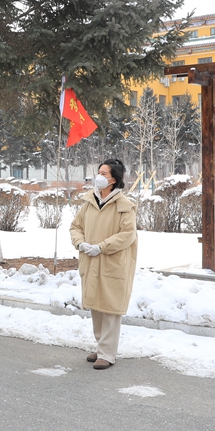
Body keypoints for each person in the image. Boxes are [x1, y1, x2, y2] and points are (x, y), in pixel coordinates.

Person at [70, 158, 138, 370]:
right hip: (91, 261)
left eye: (104, 173)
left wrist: (102, 247)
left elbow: (127, 234)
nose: (99, 177)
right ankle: (101, 347)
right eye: (99, 172)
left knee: (110, 308)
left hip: (112, 262)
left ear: (114, 179)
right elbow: (75, 227)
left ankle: (107, 354)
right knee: (96, 306)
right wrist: (80, 243)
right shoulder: (89, 202)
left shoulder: (124, 206)